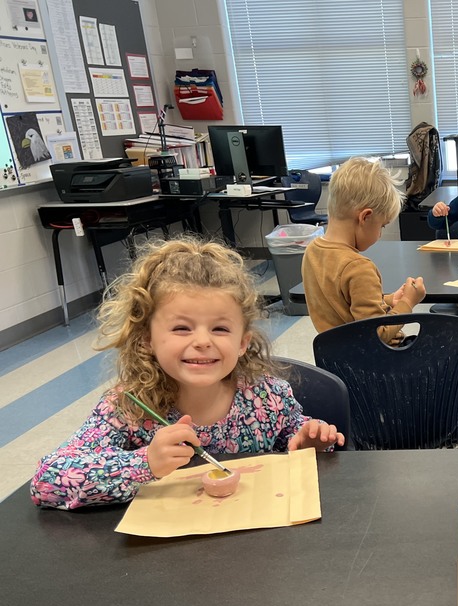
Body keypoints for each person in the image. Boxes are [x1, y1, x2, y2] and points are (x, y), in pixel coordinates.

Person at [31, 239, 346, 510]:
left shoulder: (267, 397)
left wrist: (307, 443)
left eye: (220, 328)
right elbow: (47, 481)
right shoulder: (126, 408)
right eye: (181, 328)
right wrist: (144, 463)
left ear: (242, 342)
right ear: (147, 339)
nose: (202, 341)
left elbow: (293, 436)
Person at [302, 157, 426, 341]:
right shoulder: (358, 267)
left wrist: (391, 300)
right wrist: (408, 303)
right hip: (375, 363)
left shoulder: (312, 251)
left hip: (337, 356)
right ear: (365, 217)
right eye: (382, 226)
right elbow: (377, 335)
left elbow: (344, 305)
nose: (380, 234)